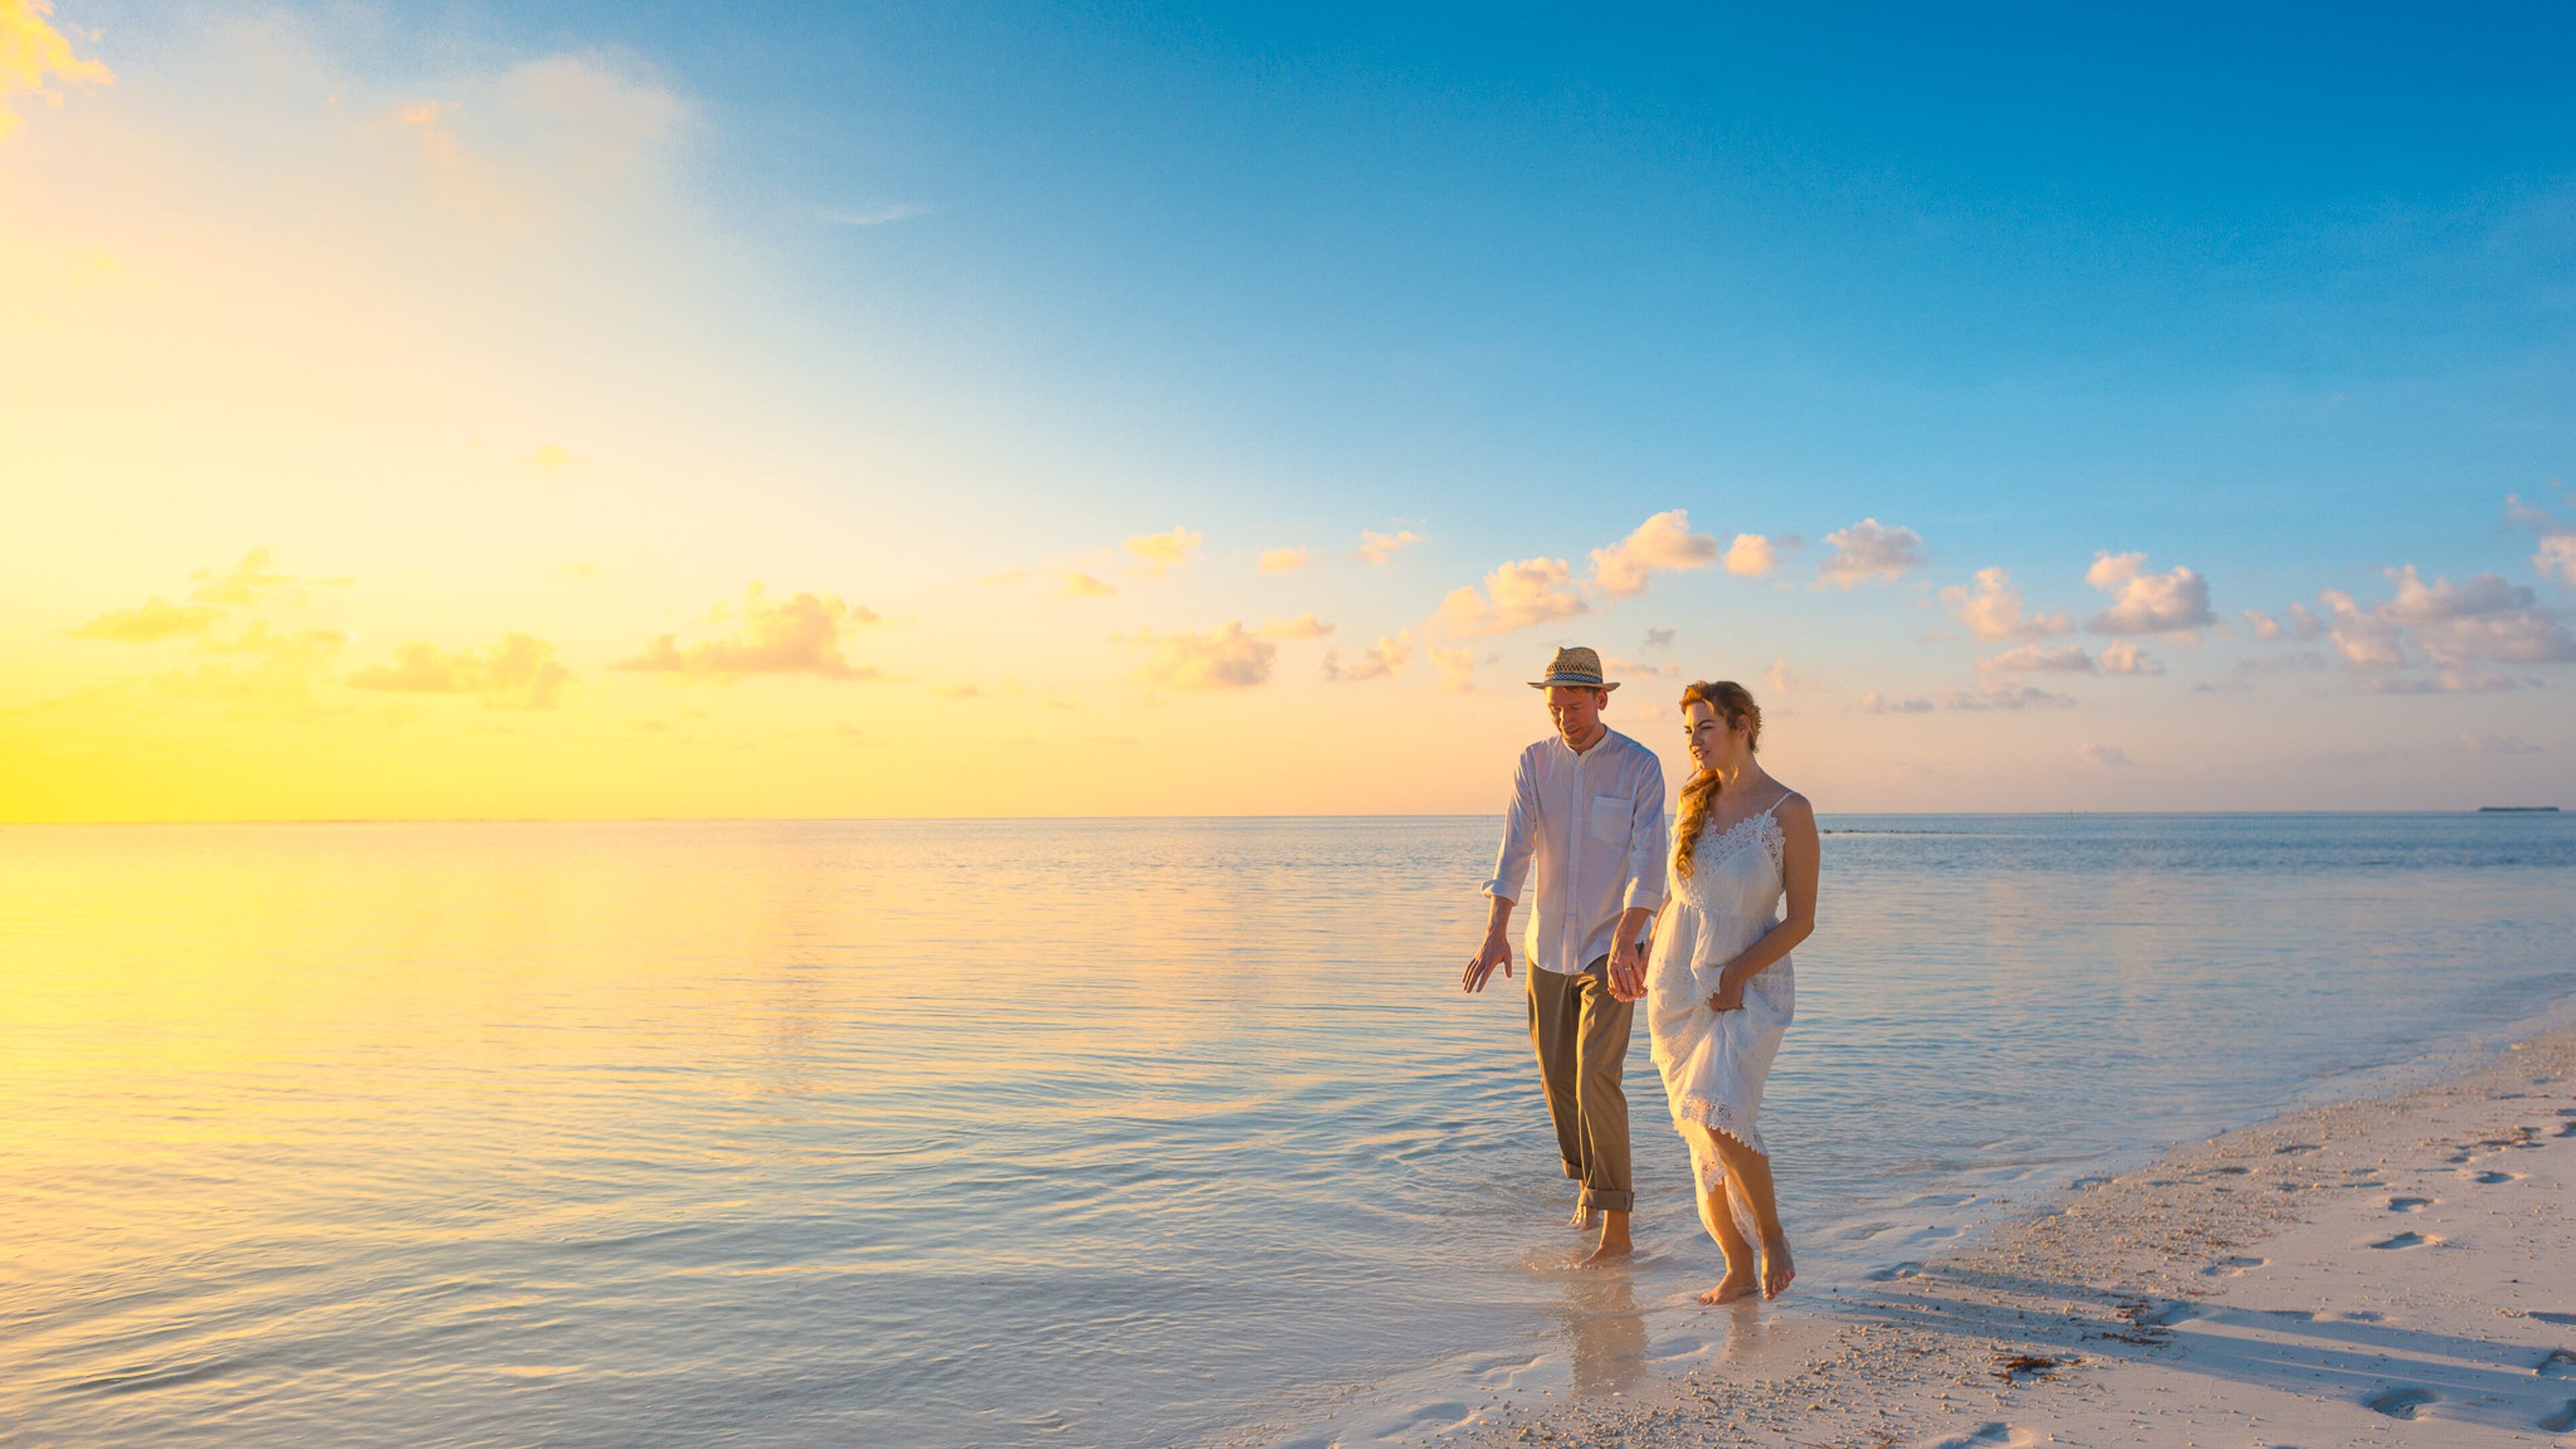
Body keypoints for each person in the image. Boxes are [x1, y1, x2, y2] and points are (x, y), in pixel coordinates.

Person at [1464, 646, 1668, 1268]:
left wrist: (1632, 933)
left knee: (1595, 1076)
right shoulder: (1534, 763)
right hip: (1545, 947)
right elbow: (1515, 851)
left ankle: (1617, 1227)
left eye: (1574, 707)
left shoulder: (1639, 767)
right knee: (1559, 1082)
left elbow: (1650, 860)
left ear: (1602, 698)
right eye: (1554, 708)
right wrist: (1496, 929)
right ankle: (1587, 1181)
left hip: (1612, 949)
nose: (1564, 719)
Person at [1643, 680, 1816, 1303]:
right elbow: (1677, 895)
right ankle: (1736, 1269)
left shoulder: (1788, 811)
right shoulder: (1694, 801)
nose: (1693, 742)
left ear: (1743, 725)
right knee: (1698, 1129)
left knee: (1720, 1114)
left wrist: (1738, 974)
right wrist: (1639, 949)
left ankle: (1773, 1239)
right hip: (1678, 986)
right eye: (1688, 731)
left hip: (1748, 986)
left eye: (1705, 728)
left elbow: (1802, 919)